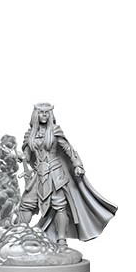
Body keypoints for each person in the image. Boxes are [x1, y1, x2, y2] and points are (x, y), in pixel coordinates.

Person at [18, 103, 117, 246]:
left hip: (55, 174)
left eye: (47, 112)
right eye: (41, 112)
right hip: (38, 174)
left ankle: (61, 240)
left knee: (59, 205)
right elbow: (26, 156)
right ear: (35, 115)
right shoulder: (30, 134)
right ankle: (20, 234)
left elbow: (68, 149)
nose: (44, 115)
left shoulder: (55, 131)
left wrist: (77, 164)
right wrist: (17, 156)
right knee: (27, 203)